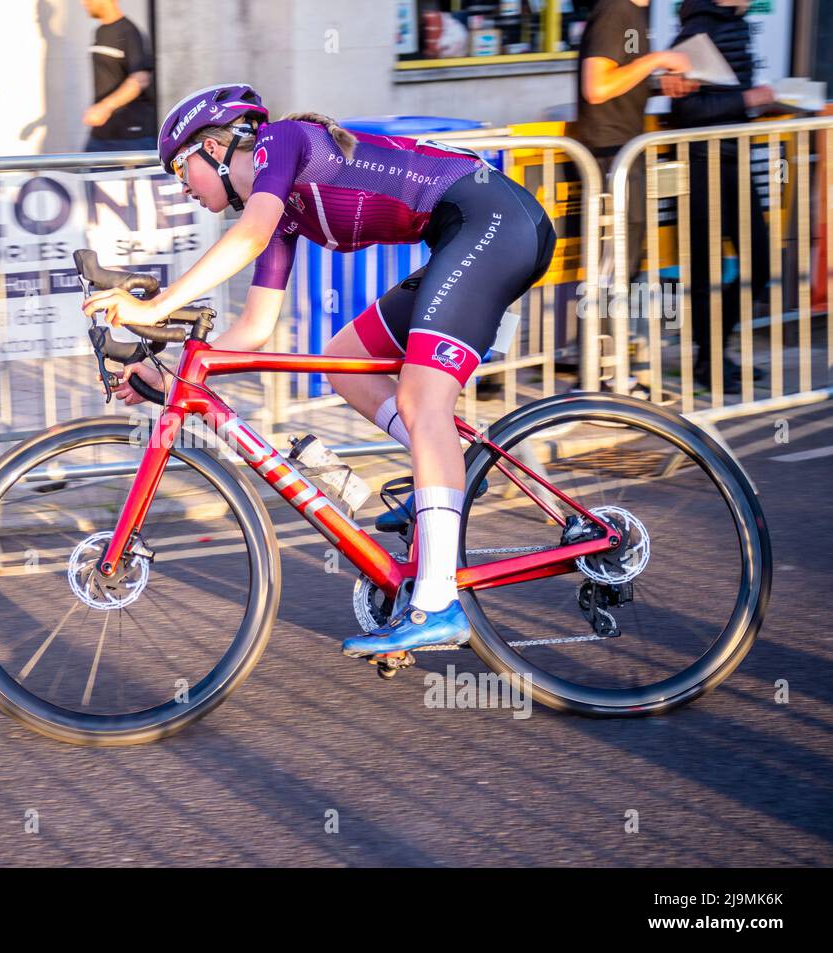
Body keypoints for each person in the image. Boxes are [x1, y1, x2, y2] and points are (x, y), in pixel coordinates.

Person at [82, 84, 557, 657]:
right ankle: (449, 476)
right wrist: (170, 379)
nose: (182, 186)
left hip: (494, 224)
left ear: (214, 146)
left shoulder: (278, 143)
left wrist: (155, 308)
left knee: (421, 401)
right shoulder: (280, 214)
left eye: (182, 168)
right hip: (466, 236)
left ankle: (437, 605)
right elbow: (255, 330)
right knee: (347, 360)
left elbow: (248, 234)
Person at [669, 0, 773, 393]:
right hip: (703, 163)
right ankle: (709, 360)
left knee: (758, 264)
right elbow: (688, 109)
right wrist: (749, 100)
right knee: (707, 270)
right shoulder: (699, 28)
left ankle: (716, 354)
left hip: (732, 158)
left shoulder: (733, 23)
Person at [575, 0, 696, 283]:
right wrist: (657, 60)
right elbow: (596, 88)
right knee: (612, 269)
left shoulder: (632, 12)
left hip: (624, 149)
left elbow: (618, 80)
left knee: (624, 264)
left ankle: (612, 326)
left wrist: (657, 86)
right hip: (609, 153)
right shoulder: (614, 9)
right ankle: (604, 327)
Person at [80, 0, 154, 152]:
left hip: (133, 137)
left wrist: (104, 107)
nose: (84, 3)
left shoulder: (129, 31)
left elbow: (140, 79)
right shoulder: (99, 31)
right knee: (85, 174)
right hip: (101, 134)